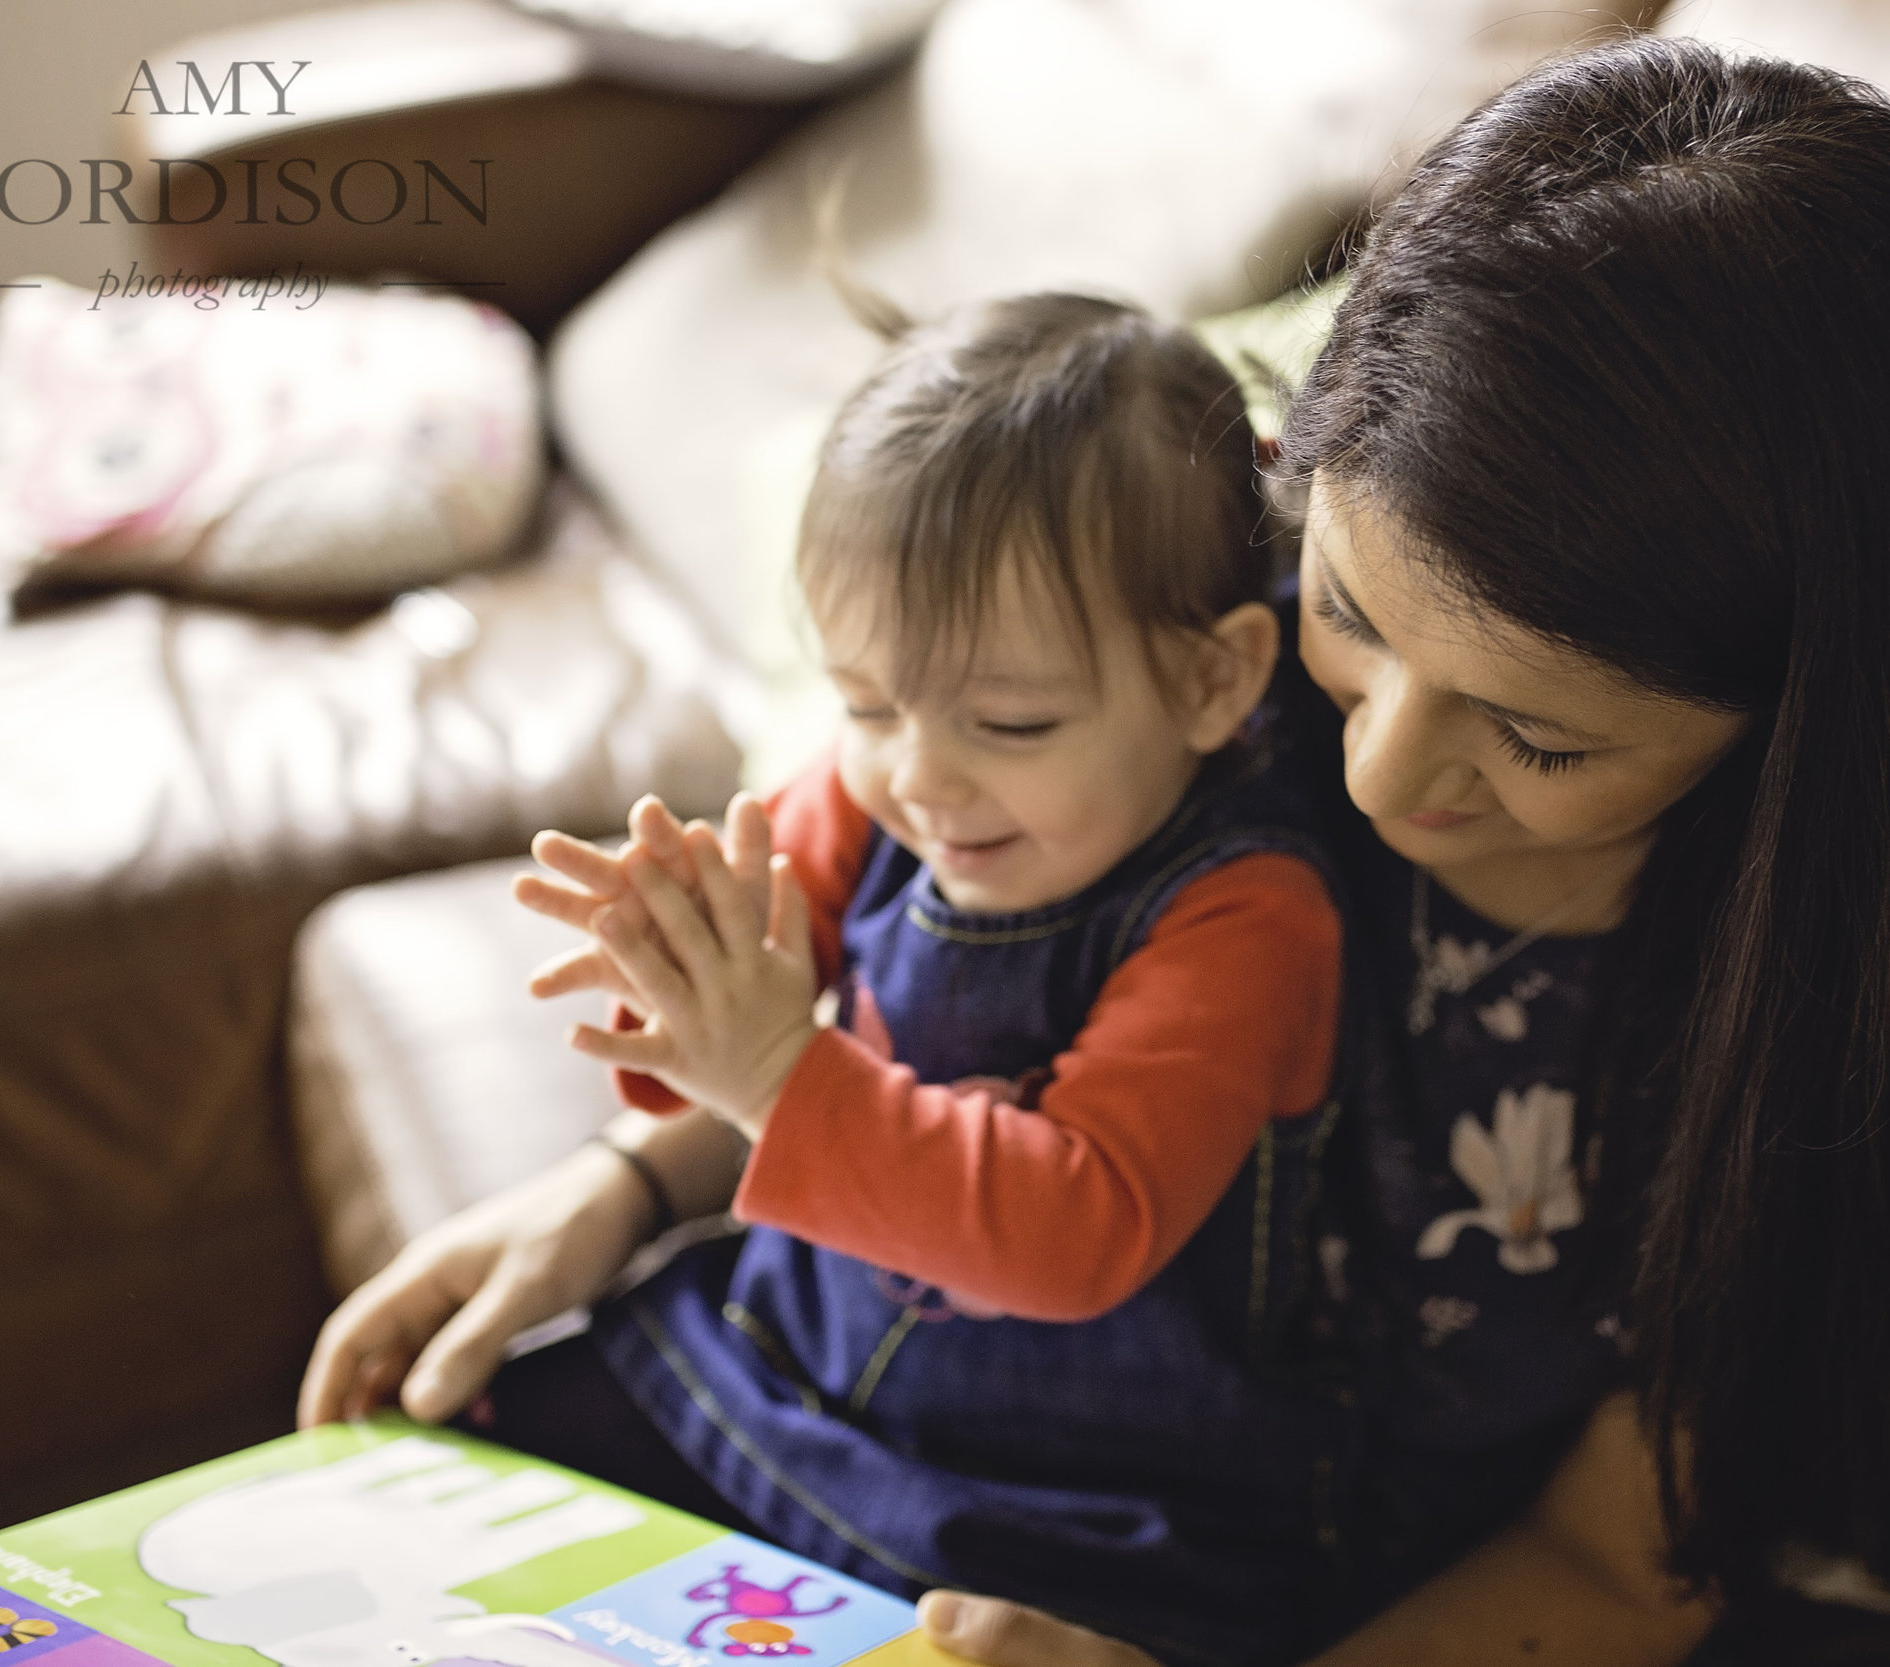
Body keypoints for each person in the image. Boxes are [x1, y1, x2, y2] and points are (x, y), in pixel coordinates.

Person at [302, 35, 1890, 1666]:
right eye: (1351, 616)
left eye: (1538, 738)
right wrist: (614, 1188)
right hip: (810, 1406)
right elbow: (883, 960)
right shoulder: (1180, 651)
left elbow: (1615, 1571)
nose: (1378, 770)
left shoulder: (1797, 1018)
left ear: (1795, 723)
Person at [310, 291, 1357, 1667]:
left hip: (1076, 1513)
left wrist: (771, 1071)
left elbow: (1076, 1227)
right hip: (763, 1374)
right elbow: (721, 1013)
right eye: (866, 703)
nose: (918, 775)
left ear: (1214, 682)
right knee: (426, 1483)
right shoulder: (883, 793)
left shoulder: (1250, 915)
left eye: (1011, 720)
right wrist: (671, 967)